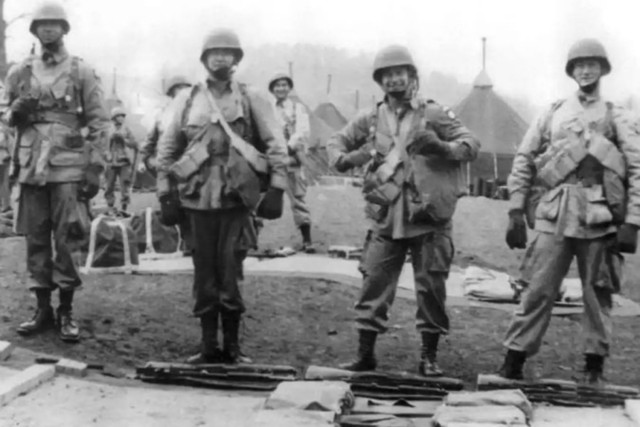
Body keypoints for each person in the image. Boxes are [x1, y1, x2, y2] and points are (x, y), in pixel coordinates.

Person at [327, 45, 479, 376]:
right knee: (374, 284)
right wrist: (347, 158)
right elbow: (335, 143)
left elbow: (471, 145)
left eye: (401, 73)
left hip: (428, 218)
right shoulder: (370, 118)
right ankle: (365, 355)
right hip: (386, 217)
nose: (395, 79)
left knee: (432, 288)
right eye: (388, 74)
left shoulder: (435, 113)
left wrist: (440, 147)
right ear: (380, 81)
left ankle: (429, 357)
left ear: (412, 77)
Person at [500, 38, 640, 384]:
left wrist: (633, 222)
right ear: (571, 71)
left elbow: (636, 167)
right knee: (537, 288)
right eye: (579, 65)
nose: (585, 70)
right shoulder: (552, 112)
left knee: (598, 293)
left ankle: (594, 368)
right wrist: (516, 209)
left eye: (592, 64)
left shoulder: (616, 115)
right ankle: (513, 360)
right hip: (555, 212)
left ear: (602, 69)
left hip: (599, 216)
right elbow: (525, 159)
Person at [156, 28, 288, 364]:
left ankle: (232, 347)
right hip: (195, 199)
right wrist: (164, 194)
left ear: (236, 59)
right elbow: (168, 147)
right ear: (204, 58)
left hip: (235, 197)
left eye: (227, 52)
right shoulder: (187, 99)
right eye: (214, 52)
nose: (220, 57)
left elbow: (274, 143)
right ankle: (207, 346)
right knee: (203, 271)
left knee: (231, 269)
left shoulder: (250, 97)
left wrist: (277, 187)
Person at [3, 1, 109, 342]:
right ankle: (42, 308)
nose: (48, 30)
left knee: (68, 238)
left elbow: (100, 121)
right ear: (34, 31)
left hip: (69, 166)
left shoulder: (81, 71)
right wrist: (14, 113)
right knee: (35, 238)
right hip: (31, 165)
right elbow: (5, 112)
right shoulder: (20, 71)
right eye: (41, 25)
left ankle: (66, 309)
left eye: (54, 25)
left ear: (64, 30)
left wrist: (95, 166)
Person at [138, 76, 193, 254]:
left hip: (191, 168)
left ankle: (192, 246)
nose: (182, 92)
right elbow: (149, 141)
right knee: (171, 209)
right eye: (178, 89)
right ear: (171, 94)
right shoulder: (162, 115)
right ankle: (184, 243)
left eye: (185, 88)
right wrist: (143, 160)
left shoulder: (197, 112)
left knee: (194, 207)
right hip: (168, 168)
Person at [268, 73, 315, 252]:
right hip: (272, 159)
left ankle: (307, 239)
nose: (281, 88)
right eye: (277, 85)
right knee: (262, 198)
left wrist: (288, 146)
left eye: (284, 85)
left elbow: (303, 131)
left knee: (298, 199)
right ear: (272, 89)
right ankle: (251, 238)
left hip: (291, 158)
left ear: (289, 88)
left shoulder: (297, 108)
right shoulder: (267, 108)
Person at [105, 106, 137, 213]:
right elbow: (103, 144)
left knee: (125, 185)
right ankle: (110, 206)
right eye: (119, 116)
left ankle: (124, 208)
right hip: (111, 162)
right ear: (114, 117)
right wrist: (112, 138)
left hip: (124, 161)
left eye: (122, 116)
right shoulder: (109, 129)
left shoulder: (127, 129)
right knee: (109, 185)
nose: (121, 118)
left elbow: (134, 144)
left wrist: (123, 139)